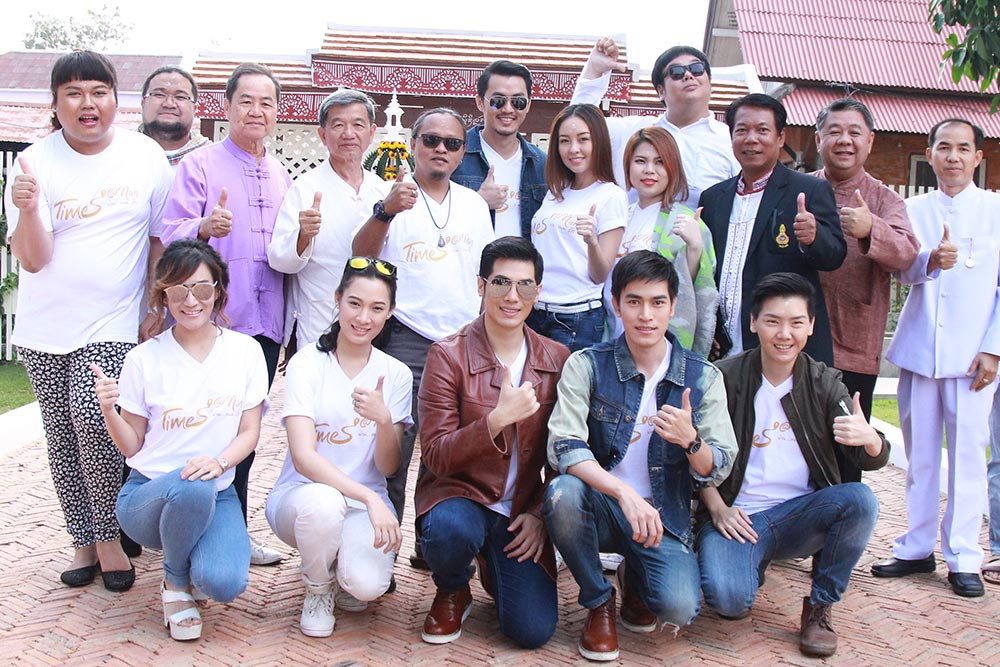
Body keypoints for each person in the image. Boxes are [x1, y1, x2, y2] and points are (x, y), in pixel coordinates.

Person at [4, 50, 172, 590]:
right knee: (61, 438)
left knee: (94, 419)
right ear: (56, 104)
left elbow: (158, 240)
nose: (88, 103)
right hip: (45, 328)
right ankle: (82, 540)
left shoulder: (145, 156)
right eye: (73, 93)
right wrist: (26, 207)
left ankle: (107, 540)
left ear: (116, 100)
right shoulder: (33, 164)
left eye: (99, 91)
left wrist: (155, 306)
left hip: (113, 320)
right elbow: (33, 260)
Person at [543, 251, 737, 662]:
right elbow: (565, 447)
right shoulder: (586, 365)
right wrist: (624, 494)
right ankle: (598, 601)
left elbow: (717, 466)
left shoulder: (703, 377)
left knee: (679, 608)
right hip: (602, 504)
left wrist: (691, 442)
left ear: (672, 306)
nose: (645, 315)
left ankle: (636, 578)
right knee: (562, 494)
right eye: (634, 301)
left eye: (657, 302)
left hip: (663, 517)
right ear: (616, 305)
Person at [697, 272, 888, 657]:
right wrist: (717, 508)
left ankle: (820, 605)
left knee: (861, 501)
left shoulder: (823, 382)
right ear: (753, 322)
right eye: (773, 321)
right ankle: (751, 561)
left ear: (811, 326)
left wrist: (871, 439)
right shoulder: (724, 378)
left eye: (796, 323)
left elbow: (866, 456)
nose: (785, 334)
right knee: (729, 602)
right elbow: (694, 455)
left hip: (801, 516)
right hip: (739, 517)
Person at [92, 239, 268, 641]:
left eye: (202, 288)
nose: (191, 301)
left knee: (225, 582)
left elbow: (250, 432)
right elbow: (131, 446)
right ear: (164, 296)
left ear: (218, 290)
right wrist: (109, 410)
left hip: (217, 490)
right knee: (191, 485)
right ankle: (174, 582)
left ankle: (192, 564)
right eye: (178, 291)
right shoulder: (143, 358)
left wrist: (219, 463)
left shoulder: (245, 352)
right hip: (148, 495)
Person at [161, 62, 290, 566]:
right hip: (211, 324)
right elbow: (169, 232)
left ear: (277, 112)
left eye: (266, 102)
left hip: (266, 326)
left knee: (245, 438)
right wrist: (203, 225)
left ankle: (232, 533)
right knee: (199, 428)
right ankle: (182, 528)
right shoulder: (199, 165)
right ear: (227, 106)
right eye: (246, 101)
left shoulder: (281, 174)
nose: (256, 111)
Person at [415, 237, 569, 648]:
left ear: (538, 291)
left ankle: (493, 562)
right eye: (501, 283)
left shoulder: (557, 360)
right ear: (481, 285)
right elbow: (435, 454)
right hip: (459, 497)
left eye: (525, 285)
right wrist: (496, 420)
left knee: (532, 631)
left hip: (518, 509)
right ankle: (453, 586)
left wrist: (539, 513)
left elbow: (564, 455)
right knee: (449, 531)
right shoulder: (447, 356)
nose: (512, 297)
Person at [872, 118, 1000, 599]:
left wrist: (993, 349)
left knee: (967, 458)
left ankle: (964, 557)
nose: (953, 157)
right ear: (929, 154)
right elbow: (899, 270)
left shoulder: (995, 210)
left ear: (978, 157)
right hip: (921, 350)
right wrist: (930, 262)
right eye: (944, 147)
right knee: (921, 457)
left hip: (973, 358)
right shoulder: (912, 209)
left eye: (963, 148)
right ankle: (916, 546)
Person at [352, 107, 494, 538]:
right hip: (406, 339)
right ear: (413, 144)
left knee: (448, 451)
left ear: (462, 152)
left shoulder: (473, 204)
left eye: (452, 143)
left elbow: (485, 274)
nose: (440, 149)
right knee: (394, 448)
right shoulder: (390, 196)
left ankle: (431, 541)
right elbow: (360, 256)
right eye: (431, 140)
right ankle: (382, 546)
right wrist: (385, 211)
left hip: (461, 344)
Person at [266, 256, 411, 638]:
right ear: (337, 299)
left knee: (367, 586)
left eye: (377, 308)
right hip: (302, 498)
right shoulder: (307, 363)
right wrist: (370, 497)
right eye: (354, 304)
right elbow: (304, 458)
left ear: (390, 312)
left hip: (362, 506)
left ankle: (339, 567)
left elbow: (388, 466)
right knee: (325, 504)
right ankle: (317, 587)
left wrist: (384, 420)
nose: (363, 317)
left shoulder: (395, 374)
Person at [810, 98, 918, 482]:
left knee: (846, 456)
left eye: (854, 132)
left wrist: (872, 228)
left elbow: (906, 253)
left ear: (870, 141)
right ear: (818, 138)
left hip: (854, 349)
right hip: (794, 344)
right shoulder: (799, 189)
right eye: (835, 131)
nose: (844, 140)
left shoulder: (885, 200)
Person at [699, 94, 845, 365]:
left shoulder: (808, 190)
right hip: (724, 350)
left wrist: (814, 237)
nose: (751, 139)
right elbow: (707, 271)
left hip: (784, 349)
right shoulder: (714, 198)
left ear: (780, 138)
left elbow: (834, 255)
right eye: (742, 130)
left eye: (762, 130)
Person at [268, 90, 389, 352]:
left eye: (358, 125)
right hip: (317, 321)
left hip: (370, 327)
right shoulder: (304, 188)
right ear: (323, 135)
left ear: (371, 132)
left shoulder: (382, 190)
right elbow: (279, 260)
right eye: (338, 125)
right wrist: (303, 235)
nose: (348, 133)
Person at [572, 38, 739, 208]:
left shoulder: (731, 141)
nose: (688, 75)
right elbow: (577, 126)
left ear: (710, 84)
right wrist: (594, 69)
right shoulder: (633, 131)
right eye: (676, 72)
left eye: (697, 69)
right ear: (661, 91)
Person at [608, 127, 718, 356]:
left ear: (672, 167)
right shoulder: (617, 216)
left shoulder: (686, 222)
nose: (649, 170)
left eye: (659, 162)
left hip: (658, 344)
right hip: (610, 334)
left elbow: (693, 290)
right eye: (640, 161)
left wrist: (695, 247)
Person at [527, 104, 627, 352]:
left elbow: (600, 274)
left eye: (583, 139)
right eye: (564, 141)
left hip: (576, 318)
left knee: (567, 379)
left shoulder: (611, 195)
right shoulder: (555, 192)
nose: (573, 149)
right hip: (535, 311)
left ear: (598, 142)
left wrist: (591, 241)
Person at [451, 60, 547, 239]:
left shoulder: (542, 164)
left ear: (528, 105)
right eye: (498, 101)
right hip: (471, 256)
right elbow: (429, 214)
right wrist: (477, 203)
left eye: (518, 102)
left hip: (527, 257)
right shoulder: (454, 155)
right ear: (480, 102)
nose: (508, 109)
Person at [139, 65, 210, 168]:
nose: (169, 104)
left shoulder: (212, 159)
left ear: (195, 109)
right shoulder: (120, 151)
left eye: (180, 97)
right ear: (143, 103)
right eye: (159, 95)